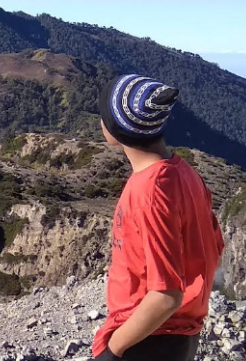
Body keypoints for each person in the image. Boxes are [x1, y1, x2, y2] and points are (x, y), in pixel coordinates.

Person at [91, 74, 225, 361]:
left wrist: (113, 351)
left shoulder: (148, 192)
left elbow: (166, 295)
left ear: (115, 129)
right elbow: (212, 248)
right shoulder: (184, 174)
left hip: (148, 339)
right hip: (178, 336)